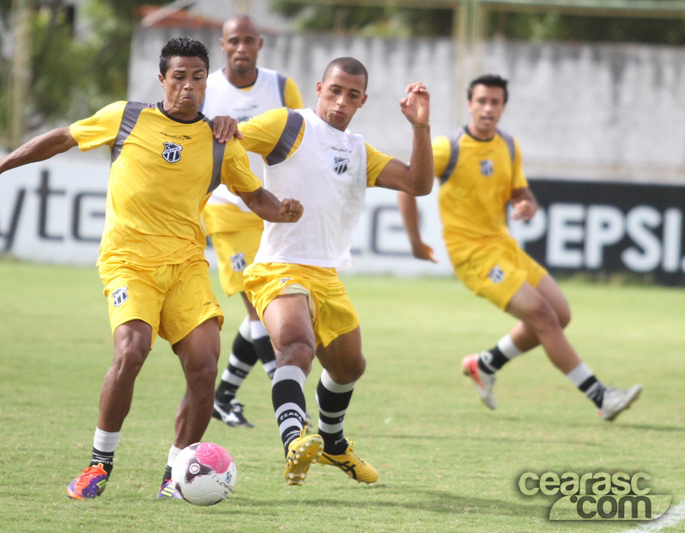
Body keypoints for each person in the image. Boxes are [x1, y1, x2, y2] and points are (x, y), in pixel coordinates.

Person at [0, 37, 303, 500]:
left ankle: (175, 476)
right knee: (131, 349)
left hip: (185, 266)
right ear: (162, 79)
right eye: (178, 77)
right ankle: (98, 464)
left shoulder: (220, 141)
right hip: (129, 262)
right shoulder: (126, 117)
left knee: (205, 367)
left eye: (197, 77)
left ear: (207, 82)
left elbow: (254, 196)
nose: (188, 86)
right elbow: (61, 138)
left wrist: (281, 209)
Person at [397, 74, 642, 422]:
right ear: (469, 104)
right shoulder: (448, 147)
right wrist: (415, 240)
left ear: (503, 107)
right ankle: (601, 396)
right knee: (543, 315)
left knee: (561, 315)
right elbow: (407, 184)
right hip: (473, 256)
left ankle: (486, 364)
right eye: (481, 101)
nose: (487, 108)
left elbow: (520, 192)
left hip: (504, 247)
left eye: (495, 102)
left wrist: (527, 204)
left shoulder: (508, 146)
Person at [237, 57, 434, 486]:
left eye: (352, 95)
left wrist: (420, 127)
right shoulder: (287, 125)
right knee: (296, 347)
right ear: (319, 88)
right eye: (335, 91)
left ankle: (332, 443)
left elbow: (418, 184)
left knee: (349, 368)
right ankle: (294, 441)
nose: (341, 102)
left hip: (327, 275)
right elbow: (228, 141)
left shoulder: (359, 151)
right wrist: (255, 196)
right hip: (278, 266)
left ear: (363, 101)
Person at [200, 15, 306, 429]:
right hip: (227, 210)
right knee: (261, 310)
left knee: (260, 312)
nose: (241, 47)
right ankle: (291, 405)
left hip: (270, 210)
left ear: (259, 44)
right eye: (233, 41)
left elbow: (300, 141)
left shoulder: (281, 87)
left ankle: (223, 396)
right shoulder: (206, 89)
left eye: (248, 40)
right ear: (222, 45)